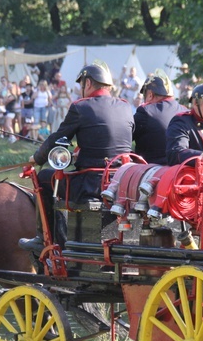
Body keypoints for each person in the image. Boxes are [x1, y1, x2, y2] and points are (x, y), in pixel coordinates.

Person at [21, 62, 134, 249]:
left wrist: (37, 158)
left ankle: (45, 239)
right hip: (123, 183)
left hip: (91, 185)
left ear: (87, 83)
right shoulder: (125, 106)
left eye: (81, 84)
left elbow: (57, 139)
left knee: (43, 177)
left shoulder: (81, 107)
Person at [133, 72, 187, 165]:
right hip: (180, 171)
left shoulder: (146, 111)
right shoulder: (185, 111)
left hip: (150, 173)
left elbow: (124, 137)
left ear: (150, 95)